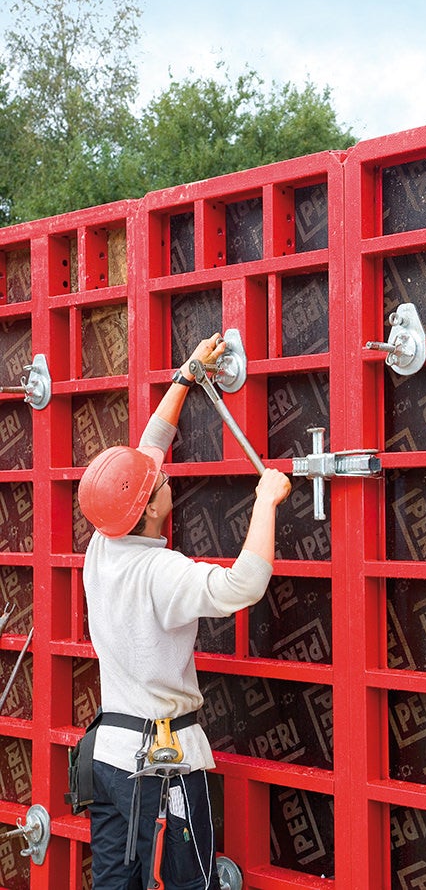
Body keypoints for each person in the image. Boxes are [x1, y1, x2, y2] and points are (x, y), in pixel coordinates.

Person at [77, 333, 291, 890]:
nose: (165, 475)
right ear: (149, 510)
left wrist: (185, 376)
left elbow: (147, 451)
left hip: (108, 758)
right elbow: (244, 585)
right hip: (163, 766)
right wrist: (265, 501)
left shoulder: (102, 542)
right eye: (162, 484)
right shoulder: (161, 572)